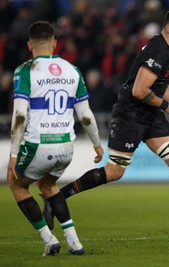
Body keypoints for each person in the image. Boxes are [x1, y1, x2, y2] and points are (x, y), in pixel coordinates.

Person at [42, 9, 169, 233]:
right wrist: (168, 106)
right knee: (114, 172)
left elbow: (161, 83)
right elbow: (139, 90)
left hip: (151, 114)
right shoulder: (158, 51)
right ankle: (57, 197)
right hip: (131, 115)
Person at [7, 21, 103, 256]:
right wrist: (97, 145)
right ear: (55, 43)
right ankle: (74, 241)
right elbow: (86, 116)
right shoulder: (73, 70)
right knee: (48, 185)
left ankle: (49, 240)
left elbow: (20, 115)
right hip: (66, 147)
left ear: (30, 45)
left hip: (38, 144)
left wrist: (13, 153)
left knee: (16, 184)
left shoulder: (25, 70)